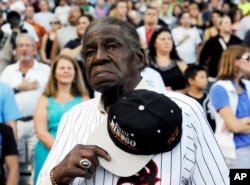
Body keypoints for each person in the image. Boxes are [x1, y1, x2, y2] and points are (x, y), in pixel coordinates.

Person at [37, 17, 229, 185]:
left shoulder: (184, 110)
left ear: (138, 58)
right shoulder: (73, 117)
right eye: (89, 52)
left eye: (111, 46)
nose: (98, 58)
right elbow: (46, 181)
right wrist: (58, 176)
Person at [33, 54, 89, 184]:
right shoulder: (44, 99)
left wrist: (70, 153)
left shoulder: (84, 99)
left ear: (75, 73)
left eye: (69, 68)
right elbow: (40, 130)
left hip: (75, 150)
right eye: (62, 67)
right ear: (54, 73)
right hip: (47, 150)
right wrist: (60, 150)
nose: (66, 70)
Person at [0, 33, 50, 168]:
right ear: (16, 49)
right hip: (14, 125)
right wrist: (18, 88)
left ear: (34, 49)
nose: (24, 49)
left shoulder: (45, 70)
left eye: (28, 45)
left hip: (38, 124)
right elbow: (2, 95)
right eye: (21, 45)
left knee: (39, 163)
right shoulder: (8, 71)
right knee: (13, 162)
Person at [210, 45, 250, 169]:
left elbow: (236, 125)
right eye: (248, 57)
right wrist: (238, 124)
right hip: (236, 151)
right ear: (235, 60)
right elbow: (234, 126)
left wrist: (243, 121)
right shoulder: (220, 88)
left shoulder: (248, 85)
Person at [199, 14, 242, 79]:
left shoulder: (237, 41)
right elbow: (203, 58)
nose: (229, 25)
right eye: (226, 23)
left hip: (233, 73)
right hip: (215, 73)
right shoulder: (212, 41)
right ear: (219, 26)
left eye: (230, 22)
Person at [148, 27, 187, 93]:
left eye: (169, 39)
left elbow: (191, 87)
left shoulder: (181, 63)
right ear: (154, 43)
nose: (167, 42)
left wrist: (174, 93)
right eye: (163, 39)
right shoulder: (147, 63)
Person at [184, 65, 216, 132]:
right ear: (191, 81)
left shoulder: (211, 98)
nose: (206, 80)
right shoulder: (185, 101)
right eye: (202, 77)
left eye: (206, 77)